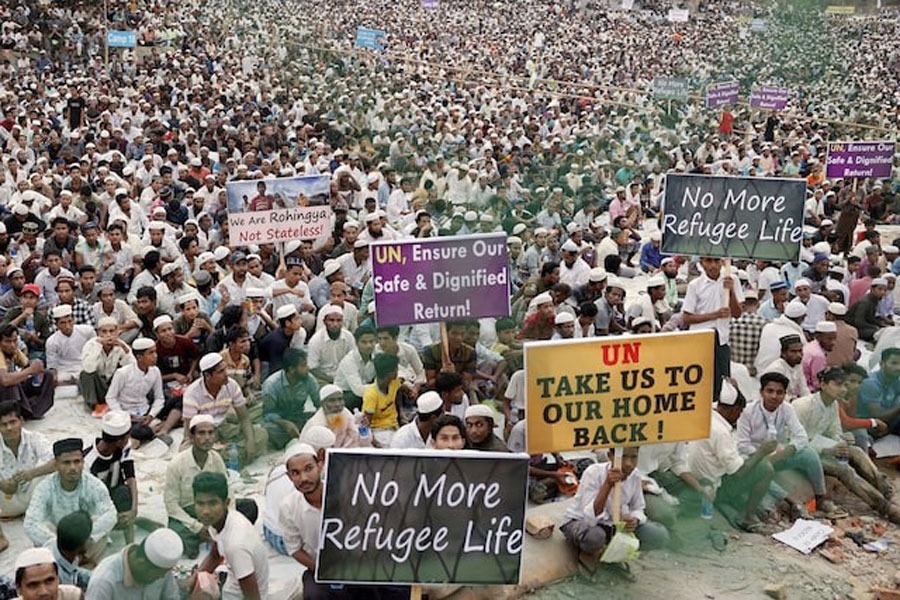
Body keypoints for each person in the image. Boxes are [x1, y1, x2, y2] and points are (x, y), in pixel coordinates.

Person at [793, 367, 898, 522]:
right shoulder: (803, 405)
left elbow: (834, 432)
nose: (843, 389)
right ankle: (884, 507)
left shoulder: (833, 405)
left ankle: (885, 491)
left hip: (821, 449)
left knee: (856, 451)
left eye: (844, 385)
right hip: (802, 454)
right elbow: (795, 442)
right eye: (838, 384)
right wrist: (830, 448)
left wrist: (842, 440)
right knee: (845, 470)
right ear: (823, 384)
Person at [736, 372, 841, 518]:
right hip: (754, 458)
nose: (774, 396)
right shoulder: (748, 412)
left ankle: (821, 497)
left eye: (779, 392)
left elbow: (801, 436)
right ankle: (793, 502)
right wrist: (761, 454)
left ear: (785, 394)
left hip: (777, 455)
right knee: (763, 471)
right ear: (761, 392)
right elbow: (742, 444)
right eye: (770, 391)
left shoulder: (786, 408)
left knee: (809, 453)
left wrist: (783, 453)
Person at [560, 446, 669, 570]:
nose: (628, 464)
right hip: (585, 523)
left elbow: (638, 508)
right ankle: (589, 554)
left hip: (613, 526)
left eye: (633, 457)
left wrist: (634, 520)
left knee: (658, 534)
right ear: (610, 456)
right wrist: (607, 484)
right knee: (594, 537)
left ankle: (614, 555)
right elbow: (590, 517)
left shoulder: (635, 476)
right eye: (623, 457)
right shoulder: (594, 472)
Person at [688, 381, 775, 533]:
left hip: (695, 478)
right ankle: (747, 515)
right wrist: (761, 452)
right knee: (765, 467)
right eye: (739, 413)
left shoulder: (706, 415)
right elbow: (739, 472)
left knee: (750, 461)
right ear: (733, 409)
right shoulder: (720, 431)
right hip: (710, 486)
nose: (738, 418)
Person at [23, 438, 116, 560]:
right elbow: (30, 523)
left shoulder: (94, 485)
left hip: (85, 540)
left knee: (98, 522)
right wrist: (61, 544)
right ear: (56, 465)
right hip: (57, 539)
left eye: (77, 461)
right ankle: (69, 560)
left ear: (83, 462)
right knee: (44, 526)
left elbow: (111, 514)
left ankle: (80, 560)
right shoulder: (44, 487)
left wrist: (88, 536)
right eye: (66, 463)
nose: (73, 467)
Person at [190, 472, 269, 600]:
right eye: (200, 503)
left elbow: (253, 597)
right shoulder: (217, 521)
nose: (205, 511)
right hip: (232, 584)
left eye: (212, 503)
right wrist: (194, 580)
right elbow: (215, 556)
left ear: (226, 503)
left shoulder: (236, 545)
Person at [182, 353, 267, 465]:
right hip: (202, 433)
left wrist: (250, 441)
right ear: (207, 375)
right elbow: (190, 432)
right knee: (187, 453)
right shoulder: (192, 393)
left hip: (224, 427)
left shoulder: (231, 385)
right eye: (220, 372)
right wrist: (214, 445)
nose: (226, 374)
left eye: (225, 369)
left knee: (261, 434)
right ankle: (226, 456)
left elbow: (244, 418)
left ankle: (224, 458)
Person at [263, 427, 334, 556]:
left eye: (308, 469)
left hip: (268, 528)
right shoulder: (314, 479)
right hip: (283, 539)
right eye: (296, 473)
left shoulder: (281, 465)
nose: (303, 478)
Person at [165, 414, 227, 558]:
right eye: (201, 433)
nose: (207, 438)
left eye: (211, 433)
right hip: (188, 512)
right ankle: (205, 535)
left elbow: (228, 492)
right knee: (181, 545)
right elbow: (171, 504)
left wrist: (229, 519)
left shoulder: (216, 459)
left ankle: (210, 533)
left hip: (213, 509)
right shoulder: (177, 464)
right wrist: (197, 527)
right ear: (191, 437)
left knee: (249, 508)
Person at [104, 338, 179, 444]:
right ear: (139, 357)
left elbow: (159, 398)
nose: (155, 356)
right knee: (137, 431)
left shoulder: (155, 371)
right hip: (127, 414)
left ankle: (160, 426)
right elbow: (110, 397)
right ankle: (161, 426)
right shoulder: (123, 373)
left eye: (155, 352)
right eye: (151, 353)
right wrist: (124, 415)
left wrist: (151, 415)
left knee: (180, 400)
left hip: (146, 410)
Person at [0, 400, 54, 545]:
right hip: (6, 503)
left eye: (13, 422)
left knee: (62, 468)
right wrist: (2, 484)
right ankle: (0, 538)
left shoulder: (34, 438)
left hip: (33, 497)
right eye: (4, 424)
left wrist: (31, 473)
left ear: (21, 421)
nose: (9, 427)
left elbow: (56, 461)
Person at [83, 411, 138, 544]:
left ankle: (129, 544)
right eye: (127, 436)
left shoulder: (123, 447)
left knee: (125, 492)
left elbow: (131, 477)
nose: (129, 439)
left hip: (115, 494)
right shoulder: (88, 461)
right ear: (119, 441)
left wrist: (134, 508)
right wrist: (109, 516)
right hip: (95, 505)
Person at [84, 528, 182, 599]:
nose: (162, 577)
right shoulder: (104, 581)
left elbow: (172, 597)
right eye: (158, 575)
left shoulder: (161, 567)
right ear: (141, 563)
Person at [262, 348, 320, 450]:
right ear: (291, 369)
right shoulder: (271, 384)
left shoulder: (309, 379)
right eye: (303, 365)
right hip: (280, 423)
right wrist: (285, 424)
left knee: (321, 419)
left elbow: (319, 404)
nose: (308, 368)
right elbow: (268, 413)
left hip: (299, 417)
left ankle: (296, 439)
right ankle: (302, 438)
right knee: (267, 429)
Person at [79, 317, 135, 412]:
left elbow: (133, 368)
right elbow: (88, 369)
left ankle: (118, 402)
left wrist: (124, 349)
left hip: (113, 385)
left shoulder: (121, 345)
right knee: (85, 375)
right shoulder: (91, 345)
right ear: (98, 333)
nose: (108, 335)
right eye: (104, 332)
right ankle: (95, 405)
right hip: (97, 386)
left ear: (117, 332)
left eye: (111, 331)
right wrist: (99, 346)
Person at [0, 324, 55, 419]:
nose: (12, 345)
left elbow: (26, 364)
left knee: (47, 375)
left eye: (14, 341)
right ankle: (11, 416)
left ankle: (33, 411)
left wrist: (37, 366)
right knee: (12, 383)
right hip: (4, 391)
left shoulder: (14, 350)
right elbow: (5, 380)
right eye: (7, 341)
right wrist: (30, 371)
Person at [45, 304, 95, 385]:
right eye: (62, 323)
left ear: (73, 320)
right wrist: (53, 378)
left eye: (69, 321)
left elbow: (95, 350)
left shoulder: (87, 331)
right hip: (65, 371)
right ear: (56, 324)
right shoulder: (52, 341)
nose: (67, 326)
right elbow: (52, 366)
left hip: (85, 367)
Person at [856, 347, 900, 437]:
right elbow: (878, 416)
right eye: (894, 363)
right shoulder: (871, 383)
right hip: (870, 423)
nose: (898, 368)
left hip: (888, 419)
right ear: (881, 364)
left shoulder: (895, 379)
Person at [306, 305, 355, 385]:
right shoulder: (316, 340)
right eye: (331, 320)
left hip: (344, 376)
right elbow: (312, 368)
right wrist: (332, 380)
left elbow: (353, 360)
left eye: (339, 320)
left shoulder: (349, 337)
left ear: (343, 322)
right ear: (324, 322)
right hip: (323, 378)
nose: (335, 324)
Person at [362, 352, 402, 447]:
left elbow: (400, 390)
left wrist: (402, 414)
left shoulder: (394, 382)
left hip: (395, 428)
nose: (398, 370)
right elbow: (366, 423)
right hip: (378, 431)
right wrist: (375, 443)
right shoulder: (371, 393)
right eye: (396, 368)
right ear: (389, 373)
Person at [46, 510, 93, 591]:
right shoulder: (55, 576)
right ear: (81, 545)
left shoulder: (63, 550)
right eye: (89, 538)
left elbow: (75, 572)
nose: (91, 540)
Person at [13, 547, 81, 600]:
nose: (43, 592)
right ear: (19, 589)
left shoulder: (73, 596)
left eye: (49, 581)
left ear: (58, 579)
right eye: (33, 585)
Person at [762, 334, 810, 401]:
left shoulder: (797, 365)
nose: (798, 355)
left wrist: (809, 401)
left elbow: (804, 389)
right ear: (783, 353)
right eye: (793, 351)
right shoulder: (776, 369)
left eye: (800, 351)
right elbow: (775, 394)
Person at [802, 321, 837, 392]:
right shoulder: (818, 355)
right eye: (829, 339)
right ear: (818, 337)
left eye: (834, 339)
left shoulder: (811, 345)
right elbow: (818, 383)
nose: (833, 343)